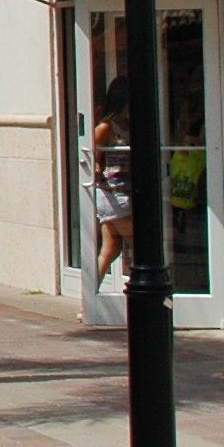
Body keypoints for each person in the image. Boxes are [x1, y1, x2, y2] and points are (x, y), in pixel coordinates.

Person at [88, 78, 134, 293]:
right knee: (140, 247)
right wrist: (98, 174)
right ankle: (138, 293)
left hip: (118, 192)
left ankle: (89, 299)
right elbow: (91, 155)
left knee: (110, 248)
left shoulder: (125, 125)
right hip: (116, 194)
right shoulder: (107, 127)